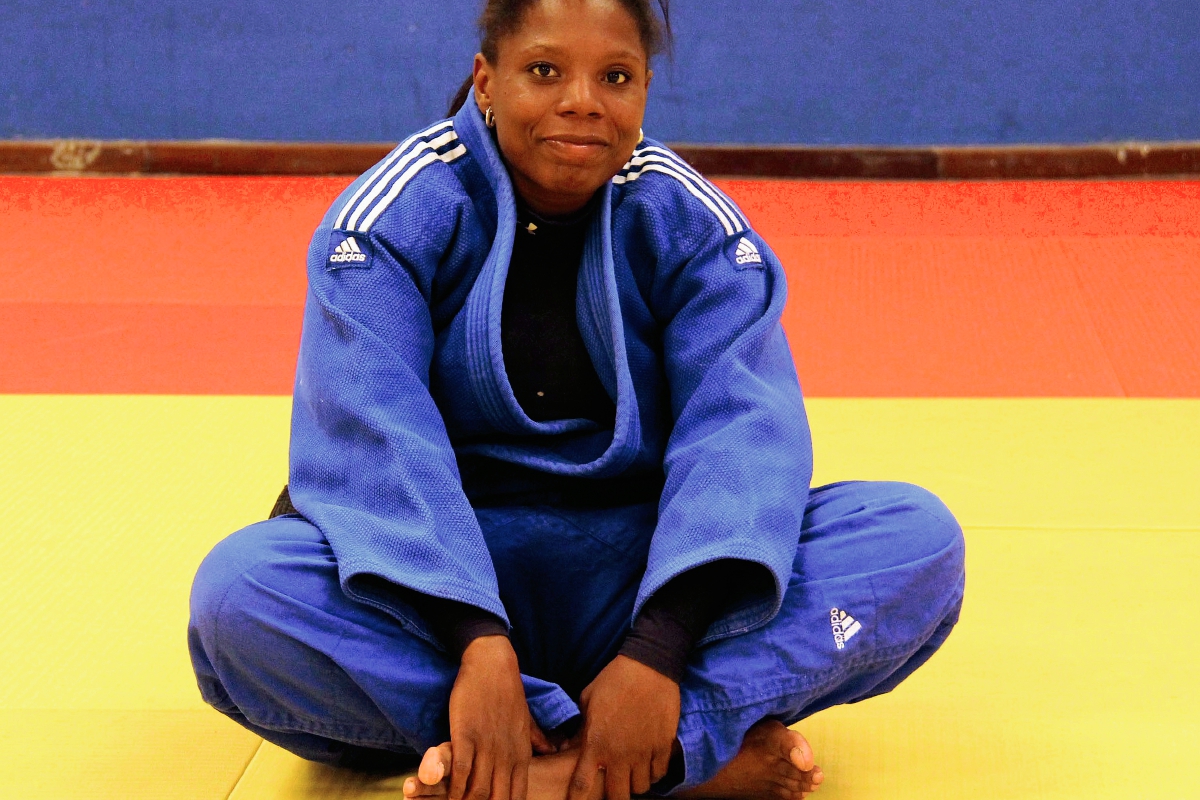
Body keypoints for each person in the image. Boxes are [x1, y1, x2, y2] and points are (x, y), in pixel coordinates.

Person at [187, 1, 966, 799]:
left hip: (638, 582)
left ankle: (530, 769)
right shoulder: (390, 219)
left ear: (645, 89)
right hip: (436, 594)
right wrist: (476, 640)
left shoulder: (688, 222)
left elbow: (743, 437)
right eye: (545, 71)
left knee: (916, 543)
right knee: (240, 599)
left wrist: (658, 649)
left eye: (615, 77)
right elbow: (371, 438)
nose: (583, 102)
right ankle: (663, 759)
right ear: (487, 81)